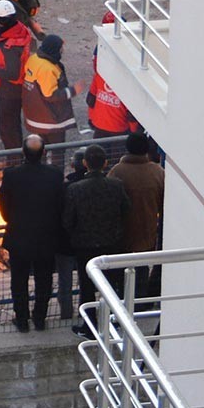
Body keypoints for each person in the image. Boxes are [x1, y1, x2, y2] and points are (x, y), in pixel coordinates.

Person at [0, 135, 66, 333]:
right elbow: (60, 204)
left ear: (23, 152)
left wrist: (13, 220)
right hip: (47, 236)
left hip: (19, 236)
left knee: (18, 281)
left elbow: (3, 205)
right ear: (44, 153)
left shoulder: (11, 175)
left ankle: (22, 320)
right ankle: (40, 318)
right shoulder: (55, 174)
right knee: (44, 279)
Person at [64, 143, 133, 335]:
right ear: (105, 163)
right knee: (111, 285)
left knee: (86, 286)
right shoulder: (116, 185)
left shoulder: (75, 189)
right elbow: (126, 210)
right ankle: (113, 321)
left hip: (84, 245)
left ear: (85, 163)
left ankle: (89, 326)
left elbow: (68, 219)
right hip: (112, 242)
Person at [110, 130, 165, 302]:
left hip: (122, 233)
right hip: (147, 231)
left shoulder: (117, 171)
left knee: (120, 271)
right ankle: (140, 304)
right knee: (141, 269)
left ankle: (121, 303)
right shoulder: (158, 172)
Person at [0, 0, 34, 150]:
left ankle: (13, 158)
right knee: (14, 124)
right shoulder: (21, 31)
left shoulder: (9, 44)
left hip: (9, 90)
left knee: (8, 128)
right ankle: (16, 154)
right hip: (20, 86)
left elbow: (12, 73)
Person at [22, 33, 78, 145]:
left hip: (35, 117)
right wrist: (73, 90)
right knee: (56, 151)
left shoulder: (33, 59)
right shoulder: (48, 69)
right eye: (61, 48)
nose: (62, 50)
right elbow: (51, 95)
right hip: (50, 122)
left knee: (40, 150)